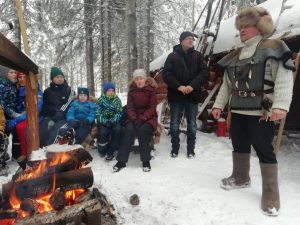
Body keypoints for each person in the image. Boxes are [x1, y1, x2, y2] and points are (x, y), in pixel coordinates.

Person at [211, 7, 294, 216]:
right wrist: (218, 105)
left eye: (247, 26)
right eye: (241, 27)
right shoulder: (235, 55)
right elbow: (227, 85)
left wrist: (281, 105)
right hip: (237, 109)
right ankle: (240, 177)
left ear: (259, 27)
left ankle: (271, 194)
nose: (242, 30)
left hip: (261, 112)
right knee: (238, 145)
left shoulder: (274, 46)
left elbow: (284, 77)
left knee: (264, 150)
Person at [163, 31, 208, 158]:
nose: (191, 41)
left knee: (192, 124)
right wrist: (179, 86)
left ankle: (190, 149)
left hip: (192, 96)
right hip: (176, 96)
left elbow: (204, 72)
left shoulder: (198, 56)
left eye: (192, 39)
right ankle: (175, 148)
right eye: (188, 38)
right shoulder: (172, 56)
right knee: (174, 123)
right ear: (181, 40)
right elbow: (166, 74)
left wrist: (191, 86)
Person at [113, 69, 158, 172]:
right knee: (128, 130)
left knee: (143, 130)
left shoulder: (151, 91)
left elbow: (152, 108)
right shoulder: (132, 92)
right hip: (134, 118)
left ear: (145, 79)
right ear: (134, 80)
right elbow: (130, 107)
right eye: (136, 79)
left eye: (141, 78)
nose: (139, 81)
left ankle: (146, 161)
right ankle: (121, 161)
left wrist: (143, 118)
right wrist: (133, 118)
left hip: (148, 118)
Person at [5, 72, 43, 165]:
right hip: (23, 117)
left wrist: (16, 119)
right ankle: (17, 153)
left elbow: (36, 109)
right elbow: (18, 107)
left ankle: (26, 153)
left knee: (20, 127)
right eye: (19, 77)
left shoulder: (36, 90)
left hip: (35, 117)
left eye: (24, 77)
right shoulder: (19, 90)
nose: (21, 79)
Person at [39, 66, 74, 146]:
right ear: (52, 78)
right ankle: (40, 151)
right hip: (50, 116)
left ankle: (49, 152)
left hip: (64, 118)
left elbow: (68, 104)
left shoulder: (69, 90)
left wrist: (57, 116)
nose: (60, 79)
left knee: (54, 132)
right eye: (57, 77)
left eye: (61, 77)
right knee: (42, 131)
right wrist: (50, 115)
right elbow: (45, 106)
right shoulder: (47, 91)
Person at [96, 82, 123, 160]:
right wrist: (104, 121)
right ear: (105, 92)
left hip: (114, 121)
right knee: (103, 132)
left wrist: (113, 120)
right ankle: (102, 150)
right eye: (108, 90)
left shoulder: (117, 100)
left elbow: (119, 112)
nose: (111, 92)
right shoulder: (100, 100)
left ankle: (112, 149)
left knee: (117, 130)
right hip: (103, 121)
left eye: (112, 90)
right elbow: (98, 113)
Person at [0, 66, 20, 160]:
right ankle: (2, 157)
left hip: (13, 115)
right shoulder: (2, 85)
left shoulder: (14, 85)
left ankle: (16, 155)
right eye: (11, 72)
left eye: (15, 73)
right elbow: (1, 102)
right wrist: (12, 113)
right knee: (4, 136)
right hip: (3, 116)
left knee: (16, 134)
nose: (14, 75)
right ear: (5, 73)